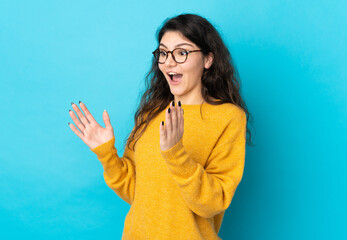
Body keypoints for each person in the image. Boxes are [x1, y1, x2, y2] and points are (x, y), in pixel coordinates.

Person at [68, 13, 253, 240]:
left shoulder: (229, 118)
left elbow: (214, 202)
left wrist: (176, 154)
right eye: (163, 53)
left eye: (182, 53)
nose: (169, 62)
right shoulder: (151, 113)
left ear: (208, 60)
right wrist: (106, 154)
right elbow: (136, 191)